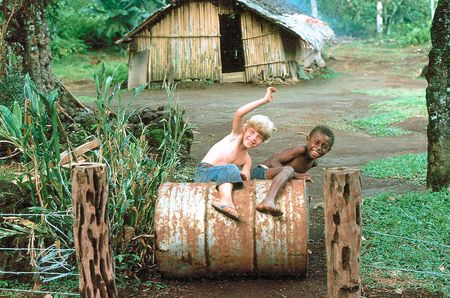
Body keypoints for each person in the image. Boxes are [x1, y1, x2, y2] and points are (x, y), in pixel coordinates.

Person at [195, 87, 276, 221]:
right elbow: (239, 113)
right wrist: (264, 100)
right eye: (252, 132)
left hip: (220, 177)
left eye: (259, 137)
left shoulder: (247, 159)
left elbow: (247, 179)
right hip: (204, 173)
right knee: (231, 168)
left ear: (262, 142)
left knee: (234, 172)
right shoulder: (235, 136)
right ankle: (225, 202)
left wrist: (244, 175)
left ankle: (229, 201)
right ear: (244, 129)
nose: (253, 138)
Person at [251, 125, 335, 217]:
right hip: (262, 171)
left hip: (275, 178)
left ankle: (271, 202)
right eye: (316, 142)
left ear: (328, 150)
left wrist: (302, 193)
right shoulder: (299, 150)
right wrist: (295, 174)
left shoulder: (314, 163)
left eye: (324, 146)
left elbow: (290, 178)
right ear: (308, 139)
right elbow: (273, 162)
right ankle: (267, 201)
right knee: (288, 170)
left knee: (290, 173)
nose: (319, 148)